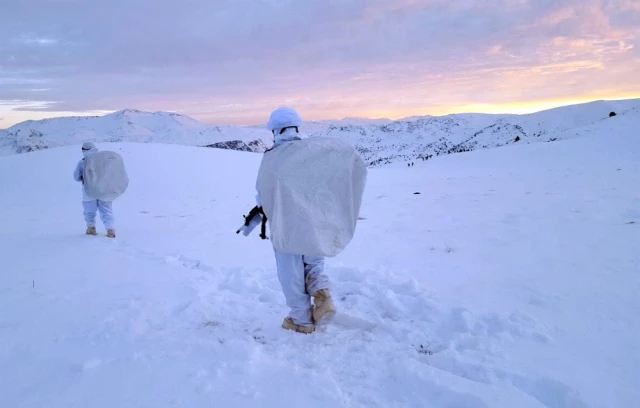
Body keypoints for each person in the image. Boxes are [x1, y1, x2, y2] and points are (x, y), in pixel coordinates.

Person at [256, 107, 336, 334]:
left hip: (286, 225)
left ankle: (301, 320)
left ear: (275, 130)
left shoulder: (273, 157)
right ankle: (322, 295)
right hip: (314, 220)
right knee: (313, 263)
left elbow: (263, 193)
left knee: (290, 272)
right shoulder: (312, 151)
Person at [73, 142, 116, 238]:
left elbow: (76, 177)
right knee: (106, 210)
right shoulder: (104, 160)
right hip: (104, 190)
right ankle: (110, 229)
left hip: (88, 191)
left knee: (89, 211)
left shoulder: (82, 162)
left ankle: (91, 228)